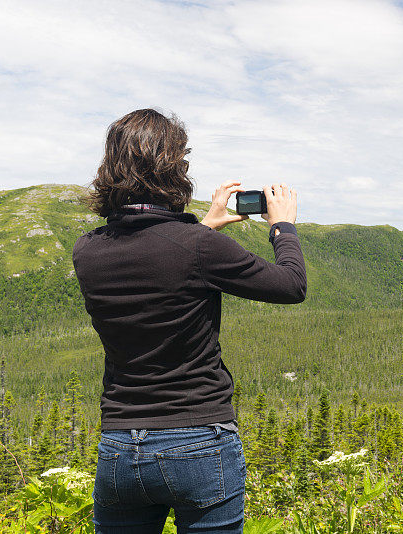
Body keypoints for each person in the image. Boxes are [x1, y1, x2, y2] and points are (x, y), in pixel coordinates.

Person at [72, 108, 306, 533]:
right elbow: (290, 285)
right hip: (199, 438)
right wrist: (283, 226)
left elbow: (161, 259)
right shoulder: (196, 246)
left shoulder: (88, 250)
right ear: (172, 169)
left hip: (121, 446)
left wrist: (207, 225)